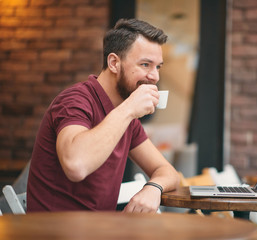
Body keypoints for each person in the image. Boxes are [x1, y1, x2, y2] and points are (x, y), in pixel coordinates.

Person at [27, 18, 179, 212]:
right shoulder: (75, 100)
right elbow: (76, 165)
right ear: (114, 63)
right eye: (145, 64)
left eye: (158, 67)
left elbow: (169, 172)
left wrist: (154, 188)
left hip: (100, 230)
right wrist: (129, 109)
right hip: (55, 232)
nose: (155, 76)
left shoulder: (127, 117)